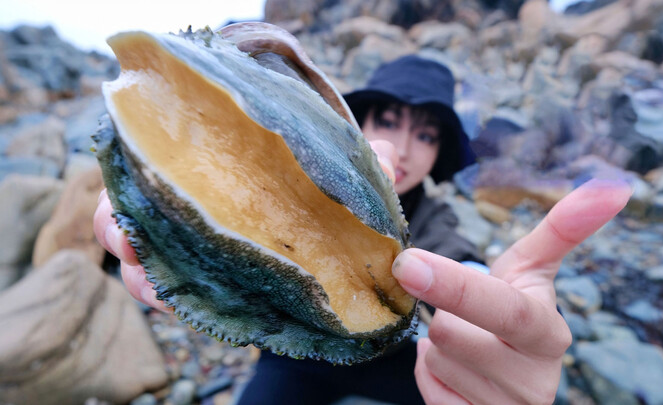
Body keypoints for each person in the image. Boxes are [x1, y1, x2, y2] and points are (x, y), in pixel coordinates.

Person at [94, 55, 632, 404]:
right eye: (390, 121)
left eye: (426, 134)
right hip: (298, 359)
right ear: (357, 124)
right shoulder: (285, 158)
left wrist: (501, 319)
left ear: (438, 152)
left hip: (402, 362)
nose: (405, 145)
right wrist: (137, 223)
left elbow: (461, 265)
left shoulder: (434, 218)